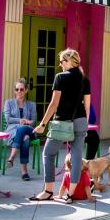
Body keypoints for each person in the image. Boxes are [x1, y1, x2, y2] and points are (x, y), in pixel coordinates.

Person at [29, 49, 91, 203]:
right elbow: (88, 105)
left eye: (62, 61)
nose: (60, 64)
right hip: (81, 120)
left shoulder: (60, 77)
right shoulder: (85, 79)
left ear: (70, 61)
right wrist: (85, 123)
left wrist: (43, 123)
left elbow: (54, 103)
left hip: (62, 122)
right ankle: (70, 194)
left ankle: (48, 191)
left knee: (48, 154)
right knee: (77, 156)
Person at [3, 79, 37, 181]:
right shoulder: (8, 103)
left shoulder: (31, 105)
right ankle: (24, 172)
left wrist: (26, 123)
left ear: (26, 90)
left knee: (24, 130)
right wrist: (22, 120)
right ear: (14, 90)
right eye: (17, 89)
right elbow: (7, 119)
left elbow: (33, 121)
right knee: (25, 139)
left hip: (30, 130)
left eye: (21, 89)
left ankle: (11, 157)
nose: (19, 91)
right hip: (13, 131)